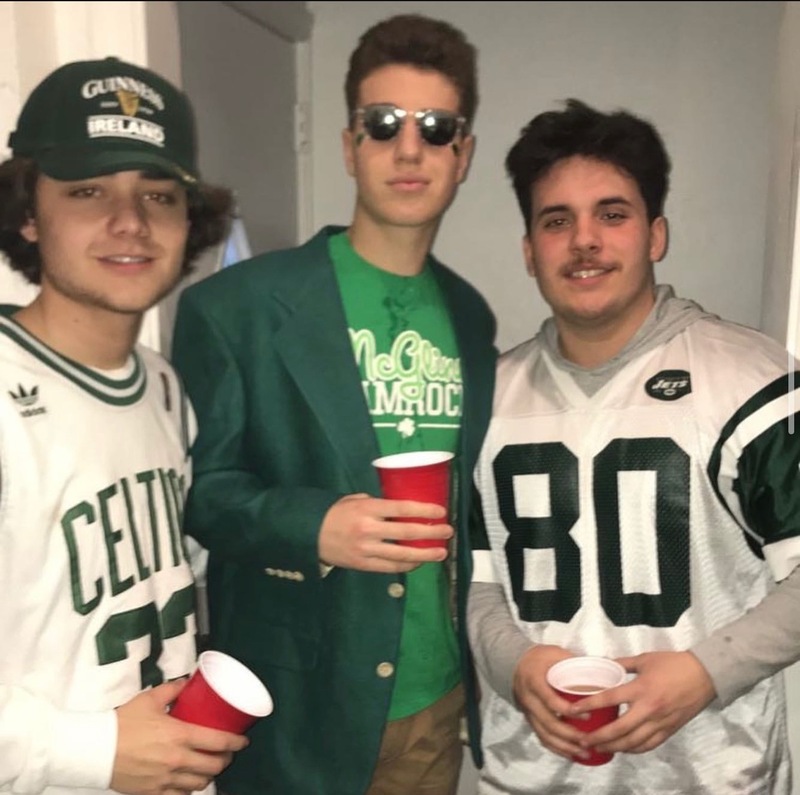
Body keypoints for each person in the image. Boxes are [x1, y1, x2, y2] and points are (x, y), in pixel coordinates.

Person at [171, 13, 497, 795]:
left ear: (463, 155)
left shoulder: (470, 314)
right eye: (382, 124)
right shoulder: (237, 307)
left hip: (435, 702)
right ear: (350, 146)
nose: (409, 148)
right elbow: (197, 495)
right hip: (296, 709)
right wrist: (313, 524)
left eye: (436, 128)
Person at [467, 97, 800, 794]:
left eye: (612, 214)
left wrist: (707, 671)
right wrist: (513, 665)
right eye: (556, 220)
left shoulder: (755, 380)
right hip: (532, 773)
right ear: (529, 251)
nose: (584, 240)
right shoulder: (486, 398)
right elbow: (474, 578)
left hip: (709, 773)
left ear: (655, 235)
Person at [0, 56, 249, 795]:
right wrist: (92, 750)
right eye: (88, 191)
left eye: (158, 195)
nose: (131, 222)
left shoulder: (164, 386)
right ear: (29, 213)